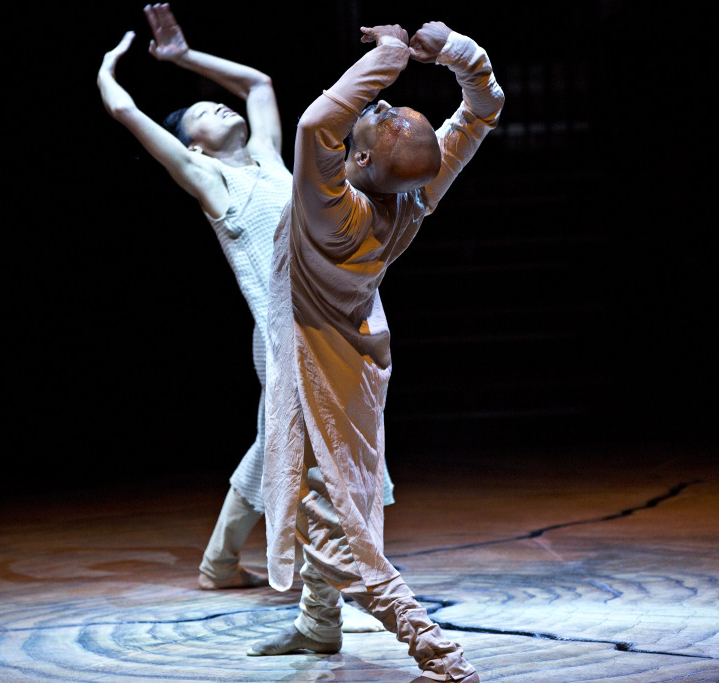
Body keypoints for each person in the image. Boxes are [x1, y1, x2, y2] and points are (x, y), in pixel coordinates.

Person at [96, 4, 388, 631]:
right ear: (191, 143)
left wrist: (183, 58)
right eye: (203, 113)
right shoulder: (209, 181)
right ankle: (347, 569)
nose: (219, 109)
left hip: (335, 323)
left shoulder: (274, 163)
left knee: (277, 443)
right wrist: (108, 69)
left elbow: (257, 85)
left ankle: (222, 561)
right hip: (287, 338)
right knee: (318, 446)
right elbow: (124, 111)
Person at [251, 19, 504, 683]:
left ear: (359, 163)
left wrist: (392, 56)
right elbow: (485, 105)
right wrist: (452, 52)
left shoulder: (334, 213)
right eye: (393, 103)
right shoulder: (417, 194)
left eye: (385, 113)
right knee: (331, 493)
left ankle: (438, 652)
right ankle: (318, 621)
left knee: (335, 525)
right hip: (360, 356)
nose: (382, 105)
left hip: (322, 365)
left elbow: (312, 127)